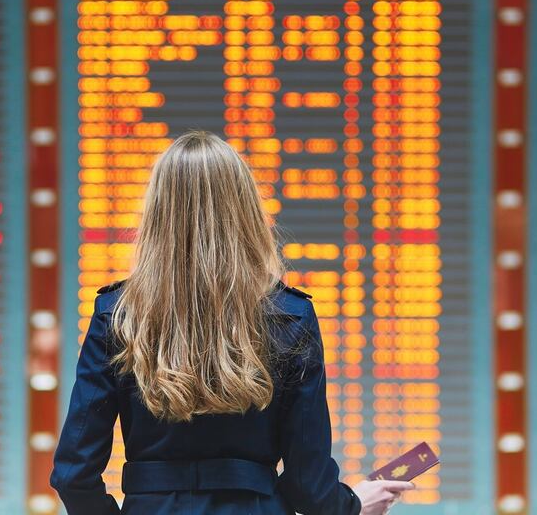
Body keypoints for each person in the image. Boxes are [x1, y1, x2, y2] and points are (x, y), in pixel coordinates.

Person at [50, 131, 415, 514]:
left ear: (156, 212)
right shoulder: (290, 315)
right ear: (245, 209)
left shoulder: (117, 314)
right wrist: (352, 504)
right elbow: (307, 483)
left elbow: (74, 474)